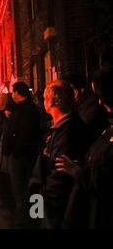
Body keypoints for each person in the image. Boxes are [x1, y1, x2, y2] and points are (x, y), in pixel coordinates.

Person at [56, 68, 113, 228]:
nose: (100, 102)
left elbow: (106, 177)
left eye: (101, 95)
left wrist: (79, 172)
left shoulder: (85, 116)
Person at [29, 80, 90, 228]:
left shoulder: (68, 132)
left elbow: (58, 179)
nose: (43, 102)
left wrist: (39, 201)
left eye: (45, 98)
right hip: (43, 200)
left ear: (52, 102)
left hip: (52, 208)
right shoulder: (58, 127)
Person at [5, 81, 41, 228]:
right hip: (21, 155)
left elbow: (25, 135)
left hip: (21, 157)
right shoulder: (23, 108)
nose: (12, 95)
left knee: (21, 191)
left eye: (13, 92)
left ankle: (25, 223)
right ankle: (26, 219)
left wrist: (16, 152)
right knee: (21, 191)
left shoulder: (27, 110)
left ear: (18, 93)